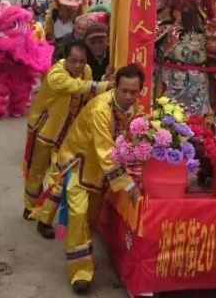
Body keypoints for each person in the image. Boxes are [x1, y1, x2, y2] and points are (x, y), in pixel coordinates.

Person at [33, 64, 144, 293]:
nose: (129, 96)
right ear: (116, 86)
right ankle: (80, 273)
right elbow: (105, 150)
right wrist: (128, 183)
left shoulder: (134, 109)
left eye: (134, 92)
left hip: (101, 170)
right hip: (79, 162)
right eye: (124, 90)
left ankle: (83, 248)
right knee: (78, 214)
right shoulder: (101, 110)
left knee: (91, 218)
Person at [23, 41, 110, 219]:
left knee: (59, 176)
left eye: (82, 61)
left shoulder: (87, 71)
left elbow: (88, 93)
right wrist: (108, 85)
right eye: (73, 61)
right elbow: (78, 87)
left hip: (68, 132)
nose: (78, 65)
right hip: (46, 129)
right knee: (36, 171)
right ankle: (29, 206)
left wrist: (103, 81)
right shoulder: (56, 74)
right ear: (65, 58)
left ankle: (45, 218)